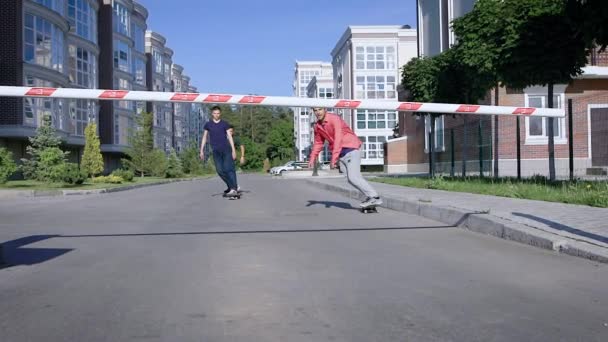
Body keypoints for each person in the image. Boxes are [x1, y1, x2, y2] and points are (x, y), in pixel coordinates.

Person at [308, 107, 382, 208]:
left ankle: (375, 197)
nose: (317, 112)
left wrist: (333, 159)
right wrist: (312, 158)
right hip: (342, 154)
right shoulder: (317, 126)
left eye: (320, 109)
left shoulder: (335, 119)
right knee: (351, 179)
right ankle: (371, 197)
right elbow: (318, 143)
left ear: (325, 109)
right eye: (315, 110)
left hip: (351, 148)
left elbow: (338, 139)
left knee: (353, 177)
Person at [200, 106, 239, 197]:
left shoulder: (225, 124)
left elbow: (229, 137)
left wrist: (233, 150)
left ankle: (233, 189)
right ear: (212, 114)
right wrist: (201, 150)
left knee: (228, 169)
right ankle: (232, 186)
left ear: (220, 114)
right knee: (220, 171)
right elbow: (204, 137)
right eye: (214, 113)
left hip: (226, 150)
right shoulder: (208, 124)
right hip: (216, 151)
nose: (216, 115)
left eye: (218, 113)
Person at [228, 124, 245, 192]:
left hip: (231, 158)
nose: (230, 133)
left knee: (230, 172)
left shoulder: (235, 138)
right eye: (229, 131)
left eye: (231, 131)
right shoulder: (223, 138)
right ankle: (233, 186)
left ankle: (233, 188)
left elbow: (242, 146)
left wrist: (242, 156)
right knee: (224, 173)